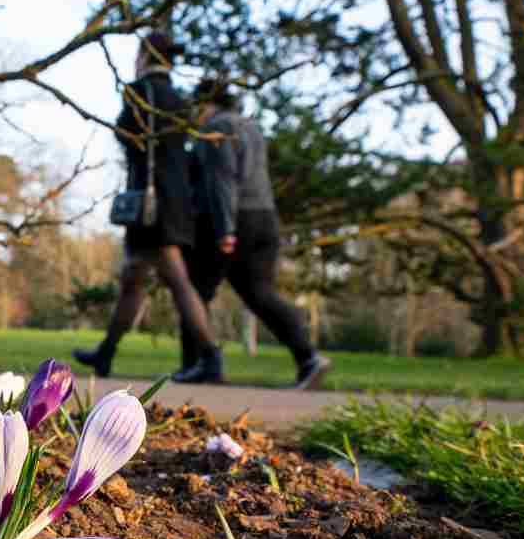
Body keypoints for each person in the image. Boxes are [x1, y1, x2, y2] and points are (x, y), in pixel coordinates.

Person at [74, 32, 224, 382]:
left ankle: (211, 356)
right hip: (175, 202)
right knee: (133, 279)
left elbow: (126, 137)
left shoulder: (140, 93)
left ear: (143, 55)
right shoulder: (179, 100)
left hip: (150, 204)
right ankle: (106, 353)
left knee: (175, 279)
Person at [177, 77, 331, 389]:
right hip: (265, 217)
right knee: (259, 293)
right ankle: (308, 357)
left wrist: (225, 230)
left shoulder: (214, 129)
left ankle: (199, 365)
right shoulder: (251, 127)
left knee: (194, 291)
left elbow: (222, 181)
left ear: (205, 104)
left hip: (230, 220)